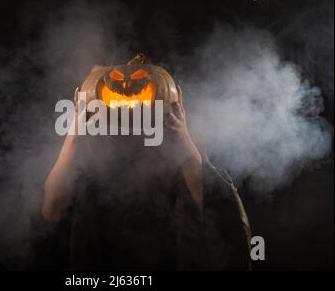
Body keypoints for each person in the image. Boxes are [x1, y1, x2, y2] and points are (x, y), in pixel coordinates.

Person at [42, 81, 252, 270]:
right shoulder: (89, 159)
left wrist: (183, 140)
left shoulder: (176, 153)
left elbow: (216, 207)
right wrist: (75, 137)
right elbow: (52, 209)